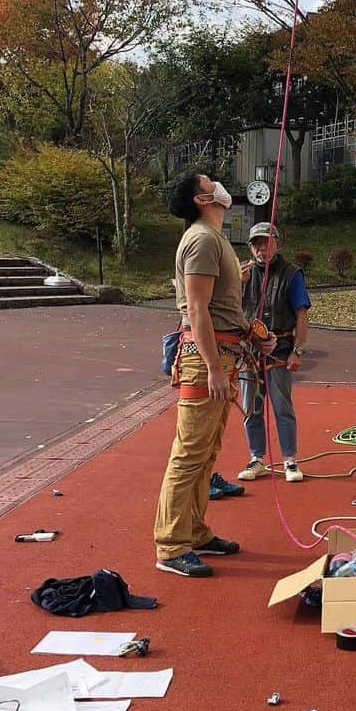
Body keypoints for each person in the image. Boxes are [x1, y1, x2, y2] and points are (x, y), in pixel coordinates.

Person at [154, 173, 274, 578]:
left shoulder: (213, 240)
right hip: (207, 357)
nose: (221, 183)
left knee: (204, 452)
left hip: (223, 353)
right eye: (211, 181)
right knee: (189, 453)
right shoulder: (203, 240)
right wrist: (210, 367)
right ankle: (171, 545)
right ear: (204, 198)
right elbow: (197, 308)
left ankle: (194, 530)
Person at [237, 222, 311, 483]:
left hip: (280, 349)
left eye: (266, 242)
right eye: (256, 243)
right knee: (250, 407)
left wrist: (297, 351)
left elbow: (302, 314)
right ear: (250, 247)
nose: (262, 248)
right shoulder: (241, 273)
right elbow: (228, 308)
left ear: (277, 244)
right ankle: (257, 457)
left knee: (282, 406)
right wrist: (236, 284)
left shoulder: (292, 274)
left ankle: (290, 460)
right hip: (248, 352)